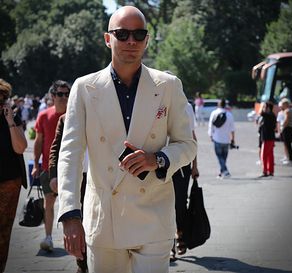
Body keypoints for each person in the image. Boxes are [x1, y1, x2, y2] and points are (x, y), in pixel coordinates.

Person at [57, 6, 197, 273]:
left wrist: (157, 159)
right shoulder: (84, 87)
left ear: (147, 39)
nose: (131, 41)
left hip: (154, 215)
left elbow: (188, 144)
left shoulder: (168, 85)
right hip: (104, 218)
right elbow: (70, 155)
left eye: (138, 34)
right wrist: (70, 215)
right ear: (107, 39)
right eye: (122, 34)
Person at [31, 80, 70, 252]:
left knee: (72, 202)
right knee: (49, 201)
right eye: (60, 94)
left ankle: (73, 238)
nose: (64, 98)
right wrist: (36, 164)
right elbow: (39, 141)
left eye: (66, 94)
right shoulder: (44, 115)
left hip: (71, 167)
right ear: (52, 96)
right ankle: (48, 237)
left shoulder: (75, 115)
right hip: (48, 167)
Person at [48, 114, 88, 273]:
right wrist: (54, 175)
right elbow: (56, 148)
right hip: (77, 178)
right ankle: (83, 264)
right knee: (80, 221)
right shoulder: (66, 118)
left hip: (101, 178)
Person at [0, 79, 27, 273]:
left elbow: (21, 147)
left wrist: (10, 121)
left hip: (9, 181)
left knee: (3, 232)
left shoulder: (12, 118)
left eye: (3, 100)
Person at [170, 102, 199, 262]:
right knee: (163, 204)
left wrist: (195, 166)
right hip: (159, 163)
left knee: (180, 204)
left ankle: (180, 235)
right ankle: (169, 246)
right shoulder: (152, 98)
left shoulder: (185, 106)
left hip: (181, 164)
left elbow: (192, 138)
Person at [208, 98, 235, 179]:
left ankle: (225, 172)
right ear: (225, 105)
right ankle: (221, 172)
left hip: (217, 139)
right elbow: (232, 129)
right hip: (226, 140)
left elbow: (210, 125)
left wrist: (210, 135)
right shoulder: (229, 114)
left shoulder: (214, 113)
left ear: (218, 105)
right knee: (223, 157)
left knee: (220, 157)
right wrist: (233, 139)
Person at [258, 102, 277, 177]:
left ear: (268, 108)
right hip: (270, 137)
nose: (263, 108)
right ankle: (270, 171)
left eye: (265, 107)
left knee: (264, 155)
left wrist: (261, 105)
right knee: (270, 155)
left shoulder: (268, 115)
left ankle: (265, 171)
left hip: (267, 138)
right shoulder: (272, 115)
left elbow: (260, 112)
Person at [280, 98, 292, 165]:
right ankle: (290, 159)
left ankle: (291, 159)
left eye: (282, 104)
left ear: (285, 104)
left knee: (287, 145)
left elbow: (286, 120)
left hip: (287, 128)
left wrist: (282, 126)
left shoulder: (287, 111)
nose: (282, 106)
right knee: (288, 144)